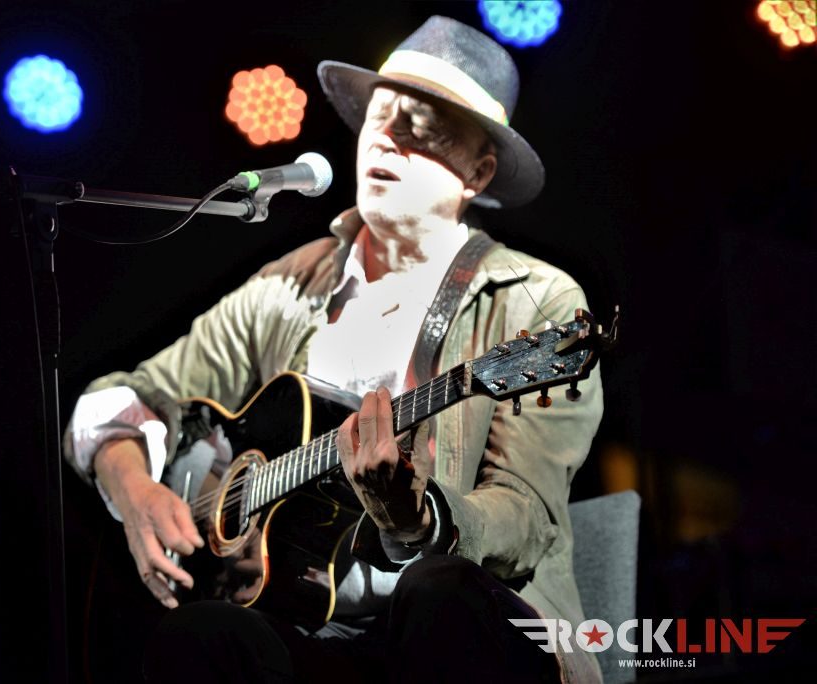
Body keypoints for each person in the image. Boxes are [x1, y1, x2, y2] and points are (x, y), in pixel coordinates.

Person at [66, 15, 604, 683]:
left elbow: (527, 513)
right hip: (313, 630)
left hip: (468, 629)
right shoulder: (290, 286)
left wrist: (420, 517)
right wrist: (133, 488)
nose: (387, 136)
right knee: (204, 635)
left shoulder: (537, 301)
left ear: (477, 170)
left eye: (421, 126)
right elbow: (127, 393)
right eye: (380, 116)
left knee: (438, 592)